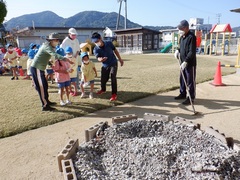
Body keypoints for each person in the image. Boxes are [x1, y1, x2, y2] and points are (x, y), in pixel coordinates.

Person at [30, 32, 73, 111]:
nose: (57, 42)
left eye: (58, 40)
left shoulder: (49, 46)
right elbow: (54, 54)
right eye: (56, 40)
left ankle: (47, 101)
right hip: (37, 68)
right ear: (51, 40)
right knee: (42, 87)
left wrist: (49, 63)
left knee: (45, 86)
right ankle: (45, 106)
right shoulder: (47, 46)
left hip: (41, 69)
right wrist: (65, 59)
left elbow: (44, 56)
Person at [91, 32, 124, 101]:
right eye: (95, 42)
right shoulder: (96, 49)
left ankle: (114, 94)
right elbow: (98, 58)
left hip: (113, 63)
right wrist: (101, 59)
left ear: (100, 38)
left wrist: (120, 59)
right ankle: (103, 89)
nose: (96, 43)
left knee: (113, 77)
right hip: (105, 65)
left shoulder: (108, 43)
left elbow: (115, 51)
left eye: (97, 41)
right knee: (103, 79)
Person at [174, 20, 197, 105]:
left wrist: (186, 61)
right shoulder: (182, 37)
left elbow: (192, 52)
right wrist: (177, 50)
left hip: (190, 63)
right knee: (182, 79)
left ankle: (191, 97)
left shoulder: (191, 37)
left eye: (181, 28)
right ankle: (183, 93)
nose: (179, 30)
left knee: (190, 81)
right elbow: (181, 48)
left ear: (186, 28)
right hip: (182, 62)